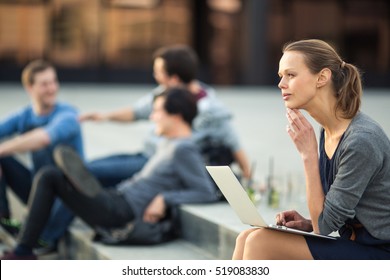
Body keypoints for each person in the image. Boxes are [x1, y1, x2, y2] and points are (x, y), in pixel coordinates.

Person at [0, 87, 218, 260]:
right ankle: (27, 245)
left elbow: (204, 191)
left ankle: (23, 250)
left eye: (158, 111)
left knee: (50, 176)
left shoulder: (184, 148)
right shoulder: (169, 144)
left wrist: (164, 198)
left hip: (122, 212)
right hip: (118, 199)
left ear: (177, 115)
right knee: (54, 176)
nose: (152, 117)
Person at [233, 39, 390, 260]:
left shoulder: (361, 140)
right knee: (247, 237)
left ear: (322, 78)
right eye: (281, 76)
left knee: (261, 242)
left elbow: (323, 227)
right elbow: (327, 219)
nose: (281, 84)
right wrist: (307, 222)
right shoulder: (329, 130)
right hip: (356, 244)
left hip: (381, 253)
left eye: (291, 75)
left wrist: (308, 154)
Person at [80, 45, 251, 188]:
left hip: (159, 166)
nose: (155, 77)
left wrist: (249, 179)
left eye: (158, 73)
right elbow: (136, 112)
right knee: (84, 169)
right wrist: (103, 116)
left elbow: (233, 143)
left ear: (174, 79)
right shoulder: (164, 93)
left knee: (85, 174)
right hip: (145, 155)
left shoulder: (212, 111)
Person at [0, 60, 84, 253]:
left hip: (68, 192)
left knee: (30, 153)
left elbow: (44, 138)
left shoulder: (68, 115)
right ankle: (3, 218)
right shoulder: (24, 115)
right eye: (45, 84)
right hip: (37, 187)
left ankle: (43, 241)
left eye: (54, 82)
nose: (52, 88)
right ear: (30, 87)